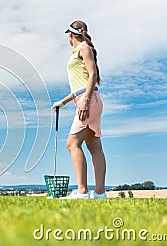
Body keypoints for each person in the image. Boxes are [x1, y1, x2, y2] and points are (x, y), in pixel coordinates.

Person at [52, 20, 107, 199]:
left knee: (72, 144)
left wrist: (85, 101)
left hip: (88, 100)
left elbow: (92, 75)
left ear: (70, 34)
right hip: (90, 99)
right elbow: (80, 85)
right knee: (93, 146)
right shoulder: (79, 50)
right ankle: (99, 193)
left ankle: (82, 191)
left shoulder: (84, 48)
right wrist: (64, 101)